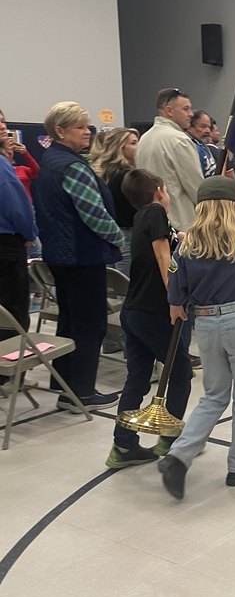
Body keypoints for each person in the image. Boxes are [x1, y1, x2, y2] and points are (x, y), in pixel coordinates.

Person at [158, 176, 235, 500]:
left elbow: (176, 288)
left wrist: (176, 304)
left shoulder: (186, 244)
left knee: (214, 395)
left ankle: (179, 456)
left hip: (204, 322)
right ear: (234, 205)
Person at [31, 102, 123, 409]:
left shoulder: (51, 161)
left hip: (61, 255)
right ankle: (82, 393)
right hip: (82, 256)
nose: (88, 133)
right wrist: (118, 238)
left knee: (69, 322)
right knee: (89, 324)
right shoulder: (71, 166)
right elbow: (93, 214)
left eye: (88, 126)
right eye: (81, 127)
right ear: (60, 131)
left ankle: (65, 386)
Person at [106, 169, 193, 469]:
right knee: (181, 372)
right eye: (167, 190)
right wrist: (175, 297)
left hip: (133, 312)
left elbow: (170, 242)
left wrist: (182, 237)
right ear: (159, 191)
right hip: (154, 312)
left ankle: (123, 446)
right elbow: (162, 257)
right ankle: (171, 440)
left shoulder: (142, 217)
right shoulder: (155, 211)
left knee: (138, 378)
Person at [135, 88, 203, 231]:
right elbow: (197, 189)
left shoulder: (143, 139)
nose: (191, 114)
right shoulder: (180, 140)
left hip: (152, 225)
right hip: (181, 225)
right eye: (186, 109)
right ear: (169, 111)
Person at [91, 127, 140, 275]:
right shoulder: (127, 176)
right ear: (121, 147)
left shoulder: (107, 173)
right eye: (133, 143)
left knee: (115, 282)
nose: (138, 147)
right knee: (127, 282)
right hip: (127, 233)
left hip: (111, 233)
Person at [0, 150, 36, 343]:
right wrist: (29, 233)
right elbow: (18, 208)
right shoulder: (1, 165)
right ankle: (10, 371)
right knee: (11, 317)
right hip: (6, 246)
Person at [188, 110, 217, 178]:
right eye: (203, 126)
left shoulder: (203, 146)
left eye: (209, 127)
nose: (208, 131)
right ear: (190, 127)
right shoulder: (191, 147)